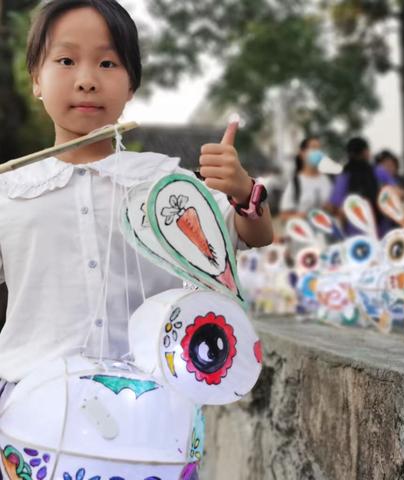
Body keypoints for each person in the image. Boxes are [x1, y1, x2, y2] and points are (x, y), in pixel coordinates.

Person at [0, 0, 272, 388]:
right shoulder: (8, 191)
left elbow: (253, 234)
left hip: (152, 412)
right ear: (36, 80)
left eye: (107, 63)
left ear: (131, 85)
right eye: (65, 61)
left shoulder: (164, 183)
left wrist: (244, 191)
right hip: (31, 419)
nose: (87, 80)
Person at [327, 137, 397, 237]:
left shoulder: (344, 176)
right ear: (365, 152)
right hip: (380, 228)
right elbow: (395, 192)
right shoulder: (378, 171)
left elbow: (335, 203)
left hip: (354, 230)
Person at [279, 137, 332, 220]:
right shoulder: (296, 182)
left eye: (319, 148)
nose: (318, 152)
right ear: (302, 153)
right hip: (304, 231)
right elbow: (284, 216)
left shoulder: (326, 180)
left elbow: (334, 210)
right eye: (314, 148)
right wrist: (303, 216)